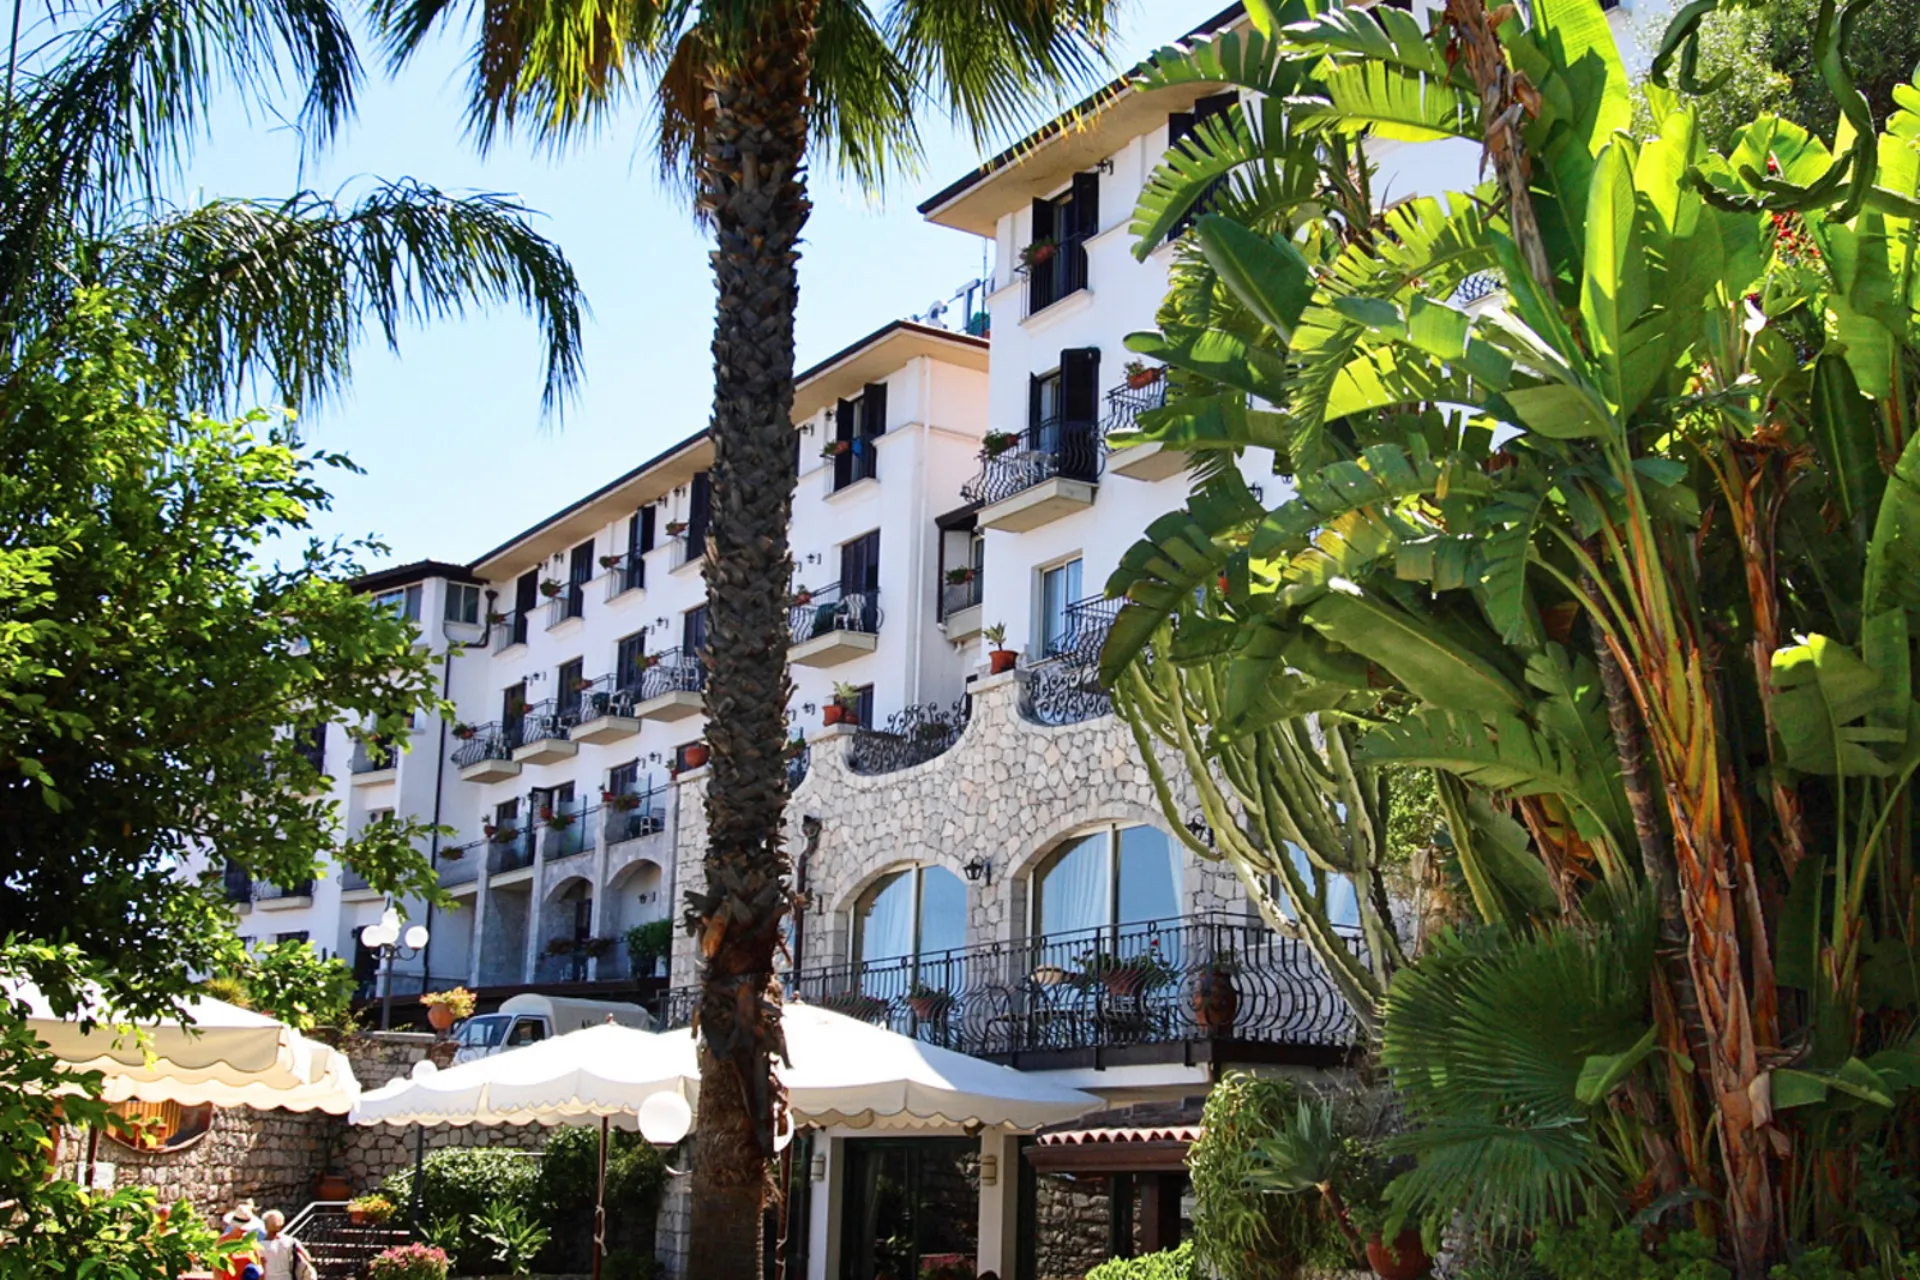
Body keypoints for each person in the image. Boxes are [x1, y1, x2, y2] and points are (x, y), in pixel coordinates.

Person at [259, 1209, 317, 1280]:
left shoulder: (260, 1246)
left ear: (265, 1225)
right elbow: (307, 1257)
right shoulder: (291, 1241)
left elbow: (262, 1269)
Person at [213, 1202, 262, 1280]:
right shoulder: (222, 1242)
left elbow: (258, 1263)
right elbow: (216, 1269)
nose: (244, 1231)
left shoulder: (251, 1240)